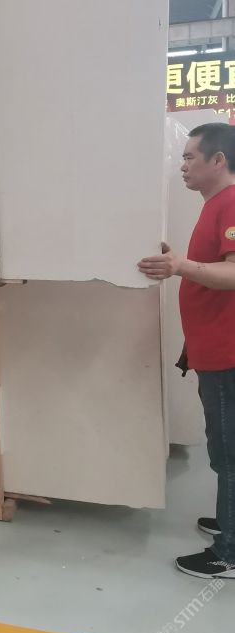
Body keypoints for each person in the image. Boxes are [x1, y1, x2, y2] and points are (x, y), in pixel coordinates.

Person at [138, 122, 235, 579]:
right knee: (225, 447)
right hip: (213, 348)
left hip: (227, 353)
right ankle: (230, 522)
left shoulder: (230, 202)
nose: (182, 166)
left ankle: (229, 553)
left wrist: (180, 265)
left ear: (218, 160)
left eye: (189, 157)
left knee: (228, 452)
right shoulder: (215, 205)